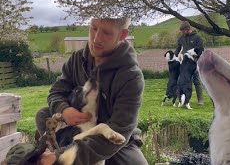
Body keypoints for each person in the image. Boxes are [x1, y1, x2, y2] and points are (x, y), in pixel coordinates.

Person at [36, 17, 148, 165]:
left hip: (109, 140)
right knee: (43, 114)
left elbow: (121, 130)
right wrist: (64, 110)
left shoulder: (131, 77)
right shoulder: (76, 59)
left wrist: (63, 158)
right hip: (73, 130)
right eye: (94, 28)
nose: (96, 38)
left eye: (106, 32)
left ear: (122, 35)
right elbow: (56, 92)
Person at [175, 21, 204, 105]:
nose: (182, 33)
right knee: (181, 81)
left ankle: (200, 101)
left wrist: (197, 59)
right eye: (181, 31)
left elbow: (201, 50)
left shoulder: (197, 37)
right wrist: (174, 55)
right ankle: (181, 100)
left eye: (183, 31)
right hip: (184, 63)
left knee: (196, 81)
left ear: (188, 29)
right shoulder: (181, 38)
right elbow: (178, 48)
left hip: (195, 63)